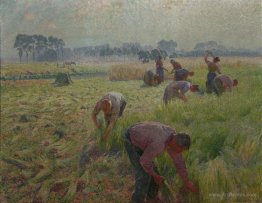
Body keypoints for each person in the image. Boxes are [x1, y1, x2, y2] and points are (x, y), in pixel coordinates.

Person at [124, 121, 198, 203]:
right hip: (132, 138)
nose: (179, 153)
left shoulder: (172, 137)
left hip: (144, 137)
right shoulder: (159, 144)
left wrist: (186, 181)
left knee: (154, 174)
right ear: (175, 144)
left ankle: (151, 198)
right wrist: (155, 176)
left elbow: (179, 162)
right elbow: (144, 161)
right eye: (180, 150)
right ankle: (137, 200)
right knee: (144, 175)